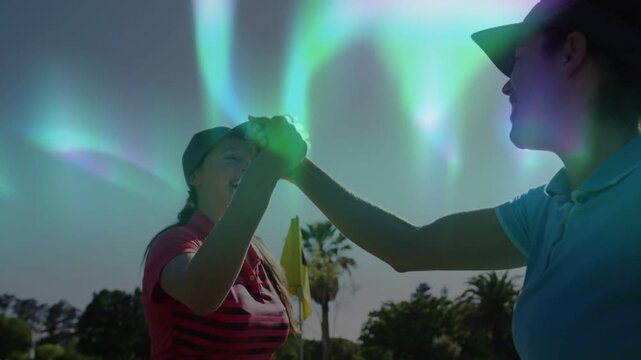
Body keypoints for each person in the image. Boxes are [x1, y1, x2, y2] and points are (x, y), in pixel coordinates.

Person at [253, 0, 641, 358]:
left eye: (520, 60)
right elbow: (407, 248)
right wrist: (296, 168)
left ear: (570, 53)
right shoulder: (545, 209)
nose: (506, 85)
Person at [141, 119, 307, 359]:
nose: (246, 167)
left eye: (251, 161)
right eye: (232, 158)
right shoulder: (173, 242)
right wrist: (266, 171)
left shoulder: (259, 254)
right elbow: (201, 293)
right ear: (195, 176)